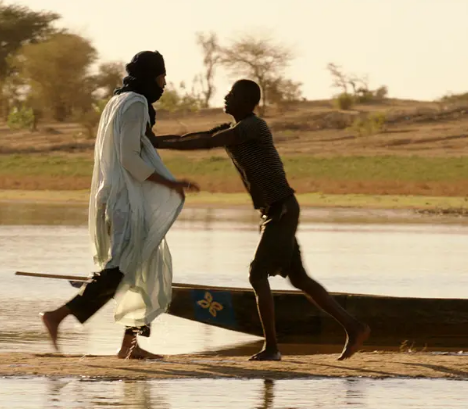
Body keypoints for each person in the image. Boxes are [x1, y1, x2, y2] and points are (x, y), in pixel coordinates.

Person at [150, 79, 370, 361]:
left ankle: (272, 348)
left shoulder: (253, 127)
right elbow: (196, 136)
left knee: (257, 274)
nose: (226, 98)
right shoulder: (232, 129)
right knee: (299, 278)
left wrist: (154, 141)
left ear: (246, 102)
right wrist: (155, 141)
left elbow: (207, 142)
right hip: (276, 211)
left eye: (231, 95)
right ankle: (354, 327)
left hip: (282, 210)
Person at [40, 51, 199, 360]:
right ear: (151, 76)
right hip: (127, 202)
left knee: (143, 267)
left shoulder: (118, 100)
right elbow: (128, 158)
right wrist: (171, 183)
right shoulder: (136, 102)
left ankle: (130, 346)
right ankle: (57, 315)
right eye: (161, 77)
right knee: (120, 269)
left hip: (119, 198)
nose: (164, 84)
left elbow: (134, 146)